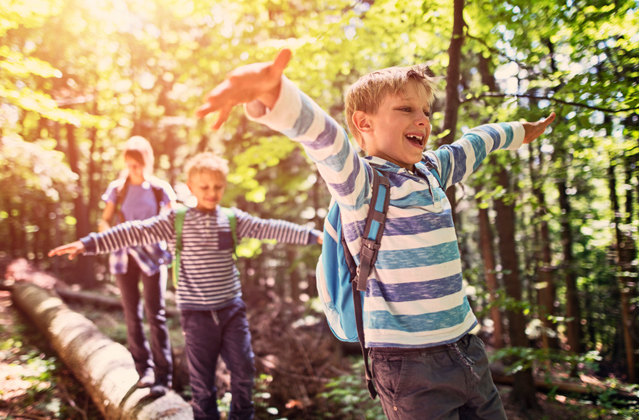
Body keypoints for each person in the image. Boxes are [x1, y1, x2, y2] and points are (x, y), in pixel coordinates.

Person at [195, 49, 556, 420]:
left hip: (467, 348)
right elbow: (325, 139)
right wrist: (276, 94)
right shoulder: (362, 185)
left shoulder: (433, 170)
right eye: (406, 110)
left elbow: (475, 143)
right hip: (409, 365)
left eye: (425, 112)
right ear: (364, 124)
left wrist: (519, 132)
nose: (422, 120)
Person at [50, 151, 323, 420]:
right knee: (203, 383)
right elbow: (133, 231)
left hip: (231, 311)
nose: (211, 192)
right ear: (190, 187)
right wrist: (88, 244)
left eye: (217, 187)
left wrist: (315, 236)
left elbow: (270, 228)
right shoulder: (176, 220)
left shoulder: (231, 220)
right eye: (204, 187)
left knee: (244, 371)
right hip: (196, 315)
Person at [97, 135, 176, 397]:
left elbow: (172, 220)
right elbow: (105, 220)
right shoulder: (117, 190)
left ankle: (164, 376)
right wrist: (110, 235)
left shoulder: (159, 189)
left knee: (156, 313)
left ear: (147, 162)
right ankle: (144, 370)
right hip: (124, 257)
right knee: (132, 313)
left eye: (138, 164)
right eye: (130, 164)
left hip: (154, 258)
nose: (134, 169)